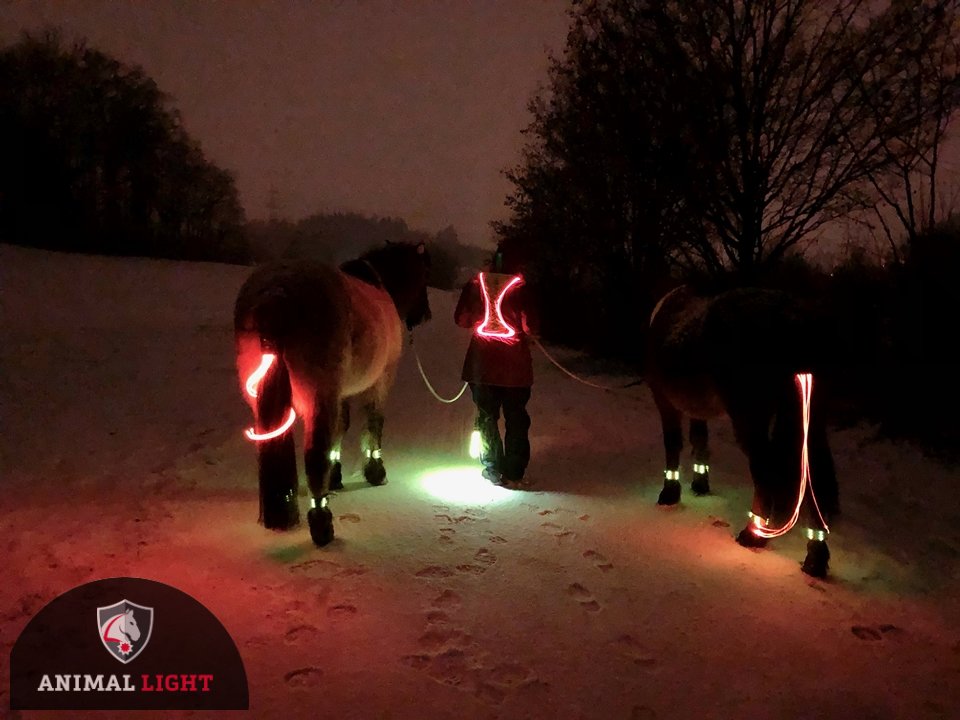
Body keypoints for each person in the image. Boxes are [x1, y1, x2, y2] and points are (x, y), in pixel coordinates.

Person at [454, 245, 537, 487]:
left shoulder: (476, 284)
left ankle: (492, 466)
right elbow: (532, 325)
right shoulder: (523, 288)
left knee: (486, 416)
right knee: (516, 417)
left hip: (481, 365)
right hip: (516, 368)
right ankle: (514, 470)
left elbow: (461, 320)